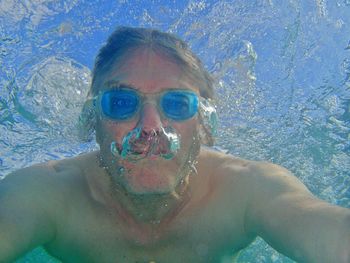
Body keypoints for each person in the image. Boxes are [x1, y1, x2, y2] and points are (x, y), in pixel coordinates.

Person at [0, 27, 349, 263]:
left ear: (205, 126)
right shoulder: (50, 195)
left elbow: (311, 219)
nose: (150, 128)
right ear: (93, 120)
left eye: (177, 104)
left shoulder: (243, 191)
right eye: (122, 102)